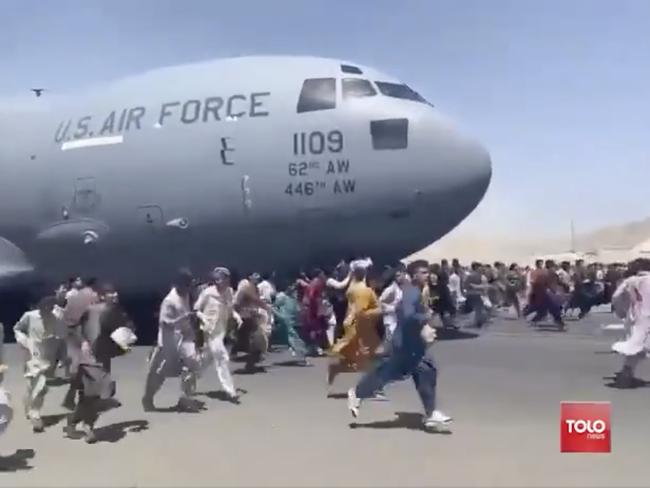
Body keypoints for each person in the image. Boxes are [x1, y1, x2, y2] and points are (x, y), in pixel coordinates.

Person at [347, 260, 452, 432]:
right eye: (423, 272)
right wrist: (424, 317)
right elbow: (407, 315)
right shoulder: (412, 292)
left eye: (428, 272)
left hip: (409, 343)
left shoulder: (415, 291)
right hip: (407, 345)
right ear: (414, 275)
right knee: (418, 371)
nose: (428, 275)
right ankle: (431, 413)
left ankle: (359, 392)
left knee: (395, 373)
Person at [65, 285, 136, 443]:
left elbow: (123, 332)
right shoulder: (92, 311)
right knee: (90, 395)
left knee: (96, 395)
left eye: (115, 291)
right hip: (88, 358)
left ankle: (77, 422)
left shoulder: (117, 312)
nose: (115, 294)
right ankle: (85, 426)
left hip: (103, 358)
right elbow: (74, 328)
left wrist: (125, 344)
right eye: (110, 292)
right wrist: (81, 344)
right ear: (102, 296)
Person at [143, 269, 202, 412]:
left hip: (185, 338)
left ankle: (185, 399)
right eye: (186, 284)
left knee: (192, 365)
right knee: (159, 373)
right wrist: (183, 318)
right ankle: (148, 398)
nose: (188, 287)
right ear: (178, 284)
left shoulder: (187, 294)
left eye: (190, 284)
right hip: (168, 340)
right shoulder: (169, 301)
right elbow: (164, 322)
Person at [327, 259, 382, 393]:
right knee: (368, 361)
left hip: (352, 326)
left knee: (361, 361)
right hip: (360, 328)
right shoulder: (364, 291)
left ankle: (337, 369)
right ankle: (375, 389)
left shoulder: (352, 288)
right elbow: (361, 311)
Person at [14, 296, 62, 432]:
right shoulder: (29, 316)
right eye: (45, 307)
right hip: (32, 354)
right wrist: (24, 342)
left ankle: (34, 411)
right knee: (34, 385)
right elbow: (18, 329)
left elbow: (61, 338)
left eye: (51, 307)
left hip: (48, 356)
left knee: (42, 386)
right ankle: (33, 412)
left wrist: (62, 356)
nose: (48, 310)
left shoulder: (55, 318)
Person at [194, 267, 239, 401]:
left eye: (223, 279)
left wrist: (237, 317)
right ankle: (230, 391)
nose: (220, 282)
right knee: (221, 357)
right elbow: (196, 309)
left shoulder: (229, 292)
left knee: (207, 358)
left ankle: (192, 375)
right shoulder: (207, 293)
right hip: (210, 330)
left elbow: (230, 308)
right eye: (218, 279)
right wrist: (203, 318)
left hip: (221, 329)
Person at [611, 259, 650, 388]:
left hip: (634, 318)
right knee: (640, 347)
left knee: (636, 346)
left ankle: (626, 373)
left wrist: (622, 312)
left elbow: (616, 297)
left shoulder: (630, 281)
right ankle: (626, 374)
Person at [272, 282, 310, 366]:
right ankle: (302, 357)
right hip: (287, 321)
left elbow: (298, 309)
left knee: (297, 338)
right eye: (291, 288)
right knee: (294, 338)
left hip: (295, 321)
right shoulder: (283, 298)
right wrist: (280, 316)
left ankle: (302, 355)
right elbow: (273, 307)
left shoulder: (293, 298)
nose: (293, 290)